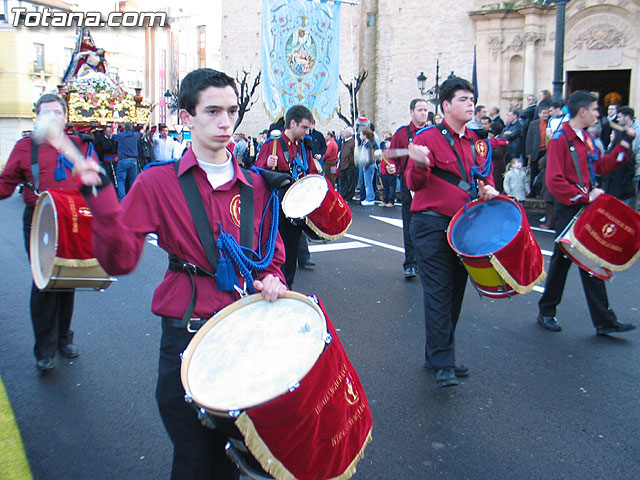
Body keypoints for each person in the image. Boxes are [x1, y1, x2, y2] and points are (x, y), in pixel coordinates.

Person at [73, 68, 287, 479]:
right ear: (187, 118)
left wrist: (273, 277)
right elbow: (121, 260)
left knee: (233, 456)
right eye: (212, 112)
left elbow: (269, 253)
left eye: (231, 111)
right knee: (192, 457)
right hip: (187, 329)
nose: (225, 122)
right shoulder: (157, 182)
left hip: (244, 331)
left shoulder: (257, 186)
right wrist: (99, 200)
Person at [405, 77, 498, 388]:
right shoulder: (428, 137)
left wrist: (488, 190)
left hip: (464, 226)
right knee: (438, 292)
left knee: (455, 293)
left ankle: (438, 354)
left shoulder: (477, 141)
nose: (470, 104)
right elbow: (413, 185)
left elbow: (484, 178)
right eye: (462, 99)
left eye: (472, 99)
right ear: (445, 105)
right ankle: (444, 361)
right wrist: (418, 164)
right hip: (431, 225)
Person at [0, 93, 94, 371]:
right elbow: (6, 185)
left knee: (69, 279)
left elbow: (95, 183)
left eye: (57, 113)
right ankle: (45, 349)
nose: (52, 118)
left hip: (74, 220)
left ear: (65, 117)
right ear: (37, 116)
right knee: (44, 283)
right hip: (39, 221)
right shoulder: (24, 147)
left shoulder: (79, 144)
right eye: (46, 113)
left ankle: (64, 338)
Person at [537, 90, 636, 336]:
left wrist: (623, 143)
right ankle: (547, 311)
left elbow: (602, 166)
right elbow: (555, 180)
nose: (597, 114)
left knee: (590, 259)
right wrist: (584, 196)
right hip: (570, 207)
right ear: (582, 111)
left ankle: (603, 320)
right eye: (594, 109)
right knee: (562, 261)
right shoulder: (561, 139)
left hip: (585, 206)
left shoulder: (587, 139)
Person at [254, 104, 318, 288]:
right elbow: (257, 173)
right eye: (304, 127)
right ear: (292, 123)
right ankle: (274, 283)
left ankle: (287, 285)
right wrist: (266, 163)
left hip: (297, 202)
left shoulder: (303, 146)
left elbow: (311, 172)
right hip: (277, 202)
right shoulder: (272, 144)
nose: (307, 132)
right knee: (277, 248)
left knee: (293, 247)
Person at [388, 98, 429, 279]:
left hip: (429, 185)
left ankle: (424, 262)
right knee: (410, 224)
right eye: (420, 110)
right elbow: (392, 157)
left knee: (429, 226)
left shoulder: (434, 133)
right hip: (408, 184)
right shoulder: (402, 134)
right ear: (411, 112)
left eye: (426, 110)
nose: (423, 113)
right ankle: (410, 263)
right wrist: (390, 167)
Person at [524, 101, 551, 196]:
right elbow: (529, 138)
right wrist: (528, 153)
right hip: (535, 151)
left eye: (547, 113)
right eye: (543, 113)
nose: (545, 115)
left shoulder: (550, 123)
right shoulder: (533, 124)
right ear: (539, 114)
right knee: (533, 171)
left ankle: (542, 191)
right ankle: (532, 192)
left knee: (544, 172)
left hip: (546, 150)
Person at [113, 121, 141, 200]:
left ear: (124, 128)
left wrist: (115, 128)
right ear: (131, 128)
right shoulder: (135, 135)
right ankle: (133, 199)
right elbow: (142, 133)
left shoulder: (121, 136)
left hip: (123, 160)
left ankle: (122, 199)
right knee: (133, 180)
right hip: (133, 160)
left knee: (121, 180)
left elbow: (113, 136)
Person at [356, 129, 377, 206]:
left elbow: (371, 158)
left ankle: (370, 198)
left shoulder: (369, 144)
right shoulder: (364, 144)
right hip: (364, 164)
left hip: (368, 165)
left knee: (368, 183)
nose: (360, 136)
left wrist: (366, 166)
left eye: (361, 134)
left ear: (365, 135)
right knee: (365, 182)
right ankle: (366, 198)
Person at [338, 127, 357, 201]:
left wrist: (350, 162)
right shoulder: (344, 142)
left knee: (350, 181)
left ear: (349, 133)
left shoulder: (353, 142)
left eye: (345, 132)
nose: (343, 133)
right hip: (343, 164)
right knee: (343, 181)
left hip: (349, 165)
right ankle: (344, 194)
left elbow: (354, 154)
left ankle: (349, 196)